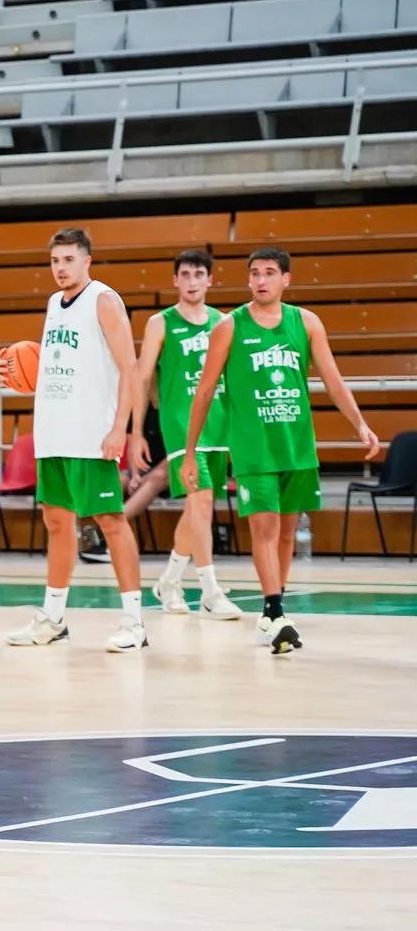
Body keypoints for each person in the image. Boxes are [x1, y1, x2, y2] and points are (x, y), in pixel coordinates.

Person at [182, 247, 379, 653]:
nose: (260, 280)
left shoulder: (306, 323)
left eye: (269, 272)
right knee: (265, 526)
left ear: (285, 279)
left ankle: (273, 613)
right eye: (255, 273)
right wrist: (189, 452)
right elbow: (204, 392)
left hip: (296, 445)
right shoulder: (229, 326)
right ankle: (274, 610)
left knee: (288, 531)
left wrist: (359, 423)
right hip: (254, 448)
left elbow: (333, 380)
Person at [0, 228, 147, 653]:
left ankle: (134, 622)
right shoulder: (54, 304)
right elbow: (50, 362)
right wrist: (5, 366)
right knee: (56, 522)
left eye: (68, 260)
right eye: (55, 261)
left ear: (87, 261)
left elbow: (130, 367)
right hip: (53, 431)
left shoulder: (104, 299)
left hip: (91, 433)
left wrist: (120, 427)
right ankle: (53, 619)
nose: (61, 268)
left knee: (110, 521)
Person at [128, 249, 242, 620]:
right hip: (180, 425)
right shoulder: (160, 323)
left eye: (199, 275)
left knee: (198, 507)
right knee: (202, 500)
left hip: (219, 423)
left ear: (210, 280)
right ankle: (210, 590)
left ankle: (170, 580)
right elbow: (142, 378)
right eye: (186, 275)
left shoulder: (224, 322)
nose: (192, 282)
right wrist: (136, 432)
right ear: (175, 280)